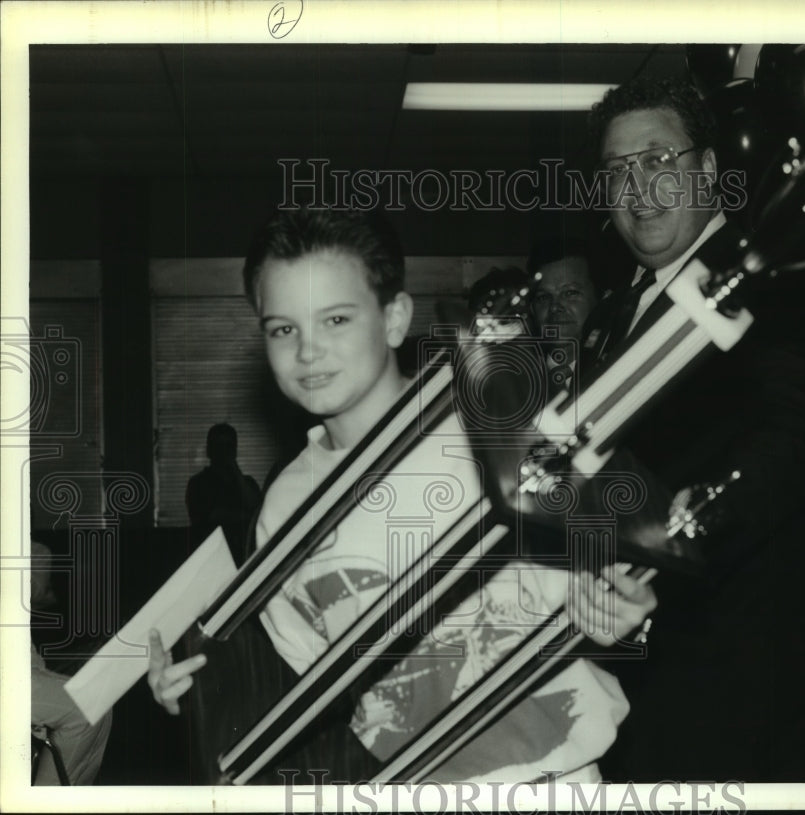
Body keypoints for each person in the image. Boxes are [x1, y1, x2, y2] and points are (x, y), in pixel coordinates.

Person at [148, 208, 656, 783]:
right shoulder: (283, 507)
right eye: (283, 328)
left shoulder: (490, 428)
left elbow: (602, 588)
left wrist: (621, 612)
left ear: (394, 319)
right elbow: (305, 687)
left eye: (335, 319)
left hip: (551, 783)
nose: (307, 351)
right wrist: (205, 688)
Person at [582, 76, 805, 781]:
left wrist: (673, 538)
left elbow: (798, 441)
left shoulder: (771, 280)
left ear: (708, 172)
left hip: (727, 675)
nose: (639, 188)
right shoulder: (611, 312)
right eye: (618, 171)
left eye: (659, 161)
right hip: (622, 670)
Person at [30, 541, 113, 785]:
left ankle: (68, 800)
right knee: (87, 708)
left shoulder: (37, 552)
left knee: (101, 704)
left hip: (26, 668)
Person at [526, 234, 603, 393]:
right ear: (532, 309)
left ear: (601, 299)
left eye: (570, 293)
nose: (555, 307)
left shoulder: (614, 372)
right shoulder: (517, 382)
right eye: (544, 297)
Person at [186, 422, 262, 562]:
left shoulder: (247, 482)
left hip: (243, 558)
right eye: (218, 446)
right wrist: (243, 516)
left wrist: (236, 472)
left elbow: (257, 513)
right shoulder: (197, 483)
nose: (223, 452)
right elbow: (208, 518)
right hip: (210, 558)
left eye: (229, 446)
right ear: (209, 450)